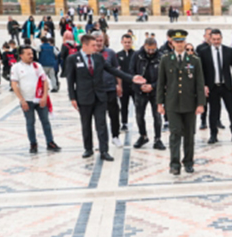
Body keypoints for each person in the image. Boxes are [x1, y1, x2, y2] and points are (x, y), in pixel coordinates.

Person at [66, 33, 143, 161]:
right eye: (93, 45)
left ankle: (104, 151)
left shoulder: (98, 58)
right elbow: (70, 80)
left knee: (101, 124)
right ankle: (88, 149)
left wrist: (131, 78)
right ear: (84, 45)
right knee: (86, 124)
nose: (96, 47)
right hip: (84, 97)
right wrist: (72, 98)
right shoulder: (73, 59)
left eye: (97, 45)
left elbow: (113, 70)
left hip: (100, 96)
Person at [156, 30, 205, 175]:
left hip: (189, 103)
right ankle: (174, 164)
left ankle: (188, 162)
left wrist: (200, 103)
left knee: (189, 135)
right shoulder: (165, 59)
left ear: (185, 42)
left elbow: (199, 84)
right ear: (172, 43)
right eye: (177, 42)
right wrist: (160, 103)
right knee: (175, 134)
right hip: (172, 104)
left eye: (182, 41)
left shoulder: (194, 60)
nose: (179, 44)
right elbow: (161, 83)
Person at [11, 45, 60, 154]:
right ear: (21, 55)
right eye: (28, 54)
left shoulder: (37, 66)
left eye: (32, 54)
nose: (31, 56)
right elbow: (14, 84)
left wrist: (44, 97)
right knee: (30, 122)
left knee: (46, 122)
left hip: (40, 99)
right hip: (27, 100)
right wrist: (22, 100)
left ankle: (50, 142)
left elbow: (45, 81)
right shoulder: (16, 67)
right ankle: (33, 144)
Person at [200, 28, 232, 144]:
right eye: (214, 39)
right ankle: (213, 134)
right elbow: (202, 71)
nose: (216, 41)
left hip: (226, 86)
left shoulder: (228, 51)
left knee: (231, 110)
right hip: (212, 86)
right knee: (213, 111)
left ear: (221, 38)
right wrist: (204, 85)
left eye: (218, 39)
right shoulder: (204, 52)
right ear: (210, 39)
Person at [131, 37, 165, 150]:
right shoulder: (137, 55)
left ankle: (158, 139)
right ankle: (143, 136)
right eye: (148, 49)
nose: (151, 52)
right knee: (139, 115)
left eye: (153, 49)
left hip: (155, 91)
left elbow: (164, 76)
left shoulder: (161, 56)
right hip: (140, 91)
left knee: (157, 115)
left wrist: (153, 86)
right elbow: (131, 72)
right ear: (144, 46)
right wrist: (140, 86)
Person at [116, 34, 136, 132]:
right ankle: (124, 123)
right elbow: (117, 71)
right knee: (124, 105)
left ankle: (140, 123)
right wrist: (119, 85)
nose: (127, 44)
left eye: (129, 42)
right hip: (123, 84)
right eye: (125, 42)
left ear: (132, 42)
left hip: (134, 85)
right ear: (122, 42)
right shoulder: (118, 55)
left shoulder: (136, 54)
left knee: (139, 105)